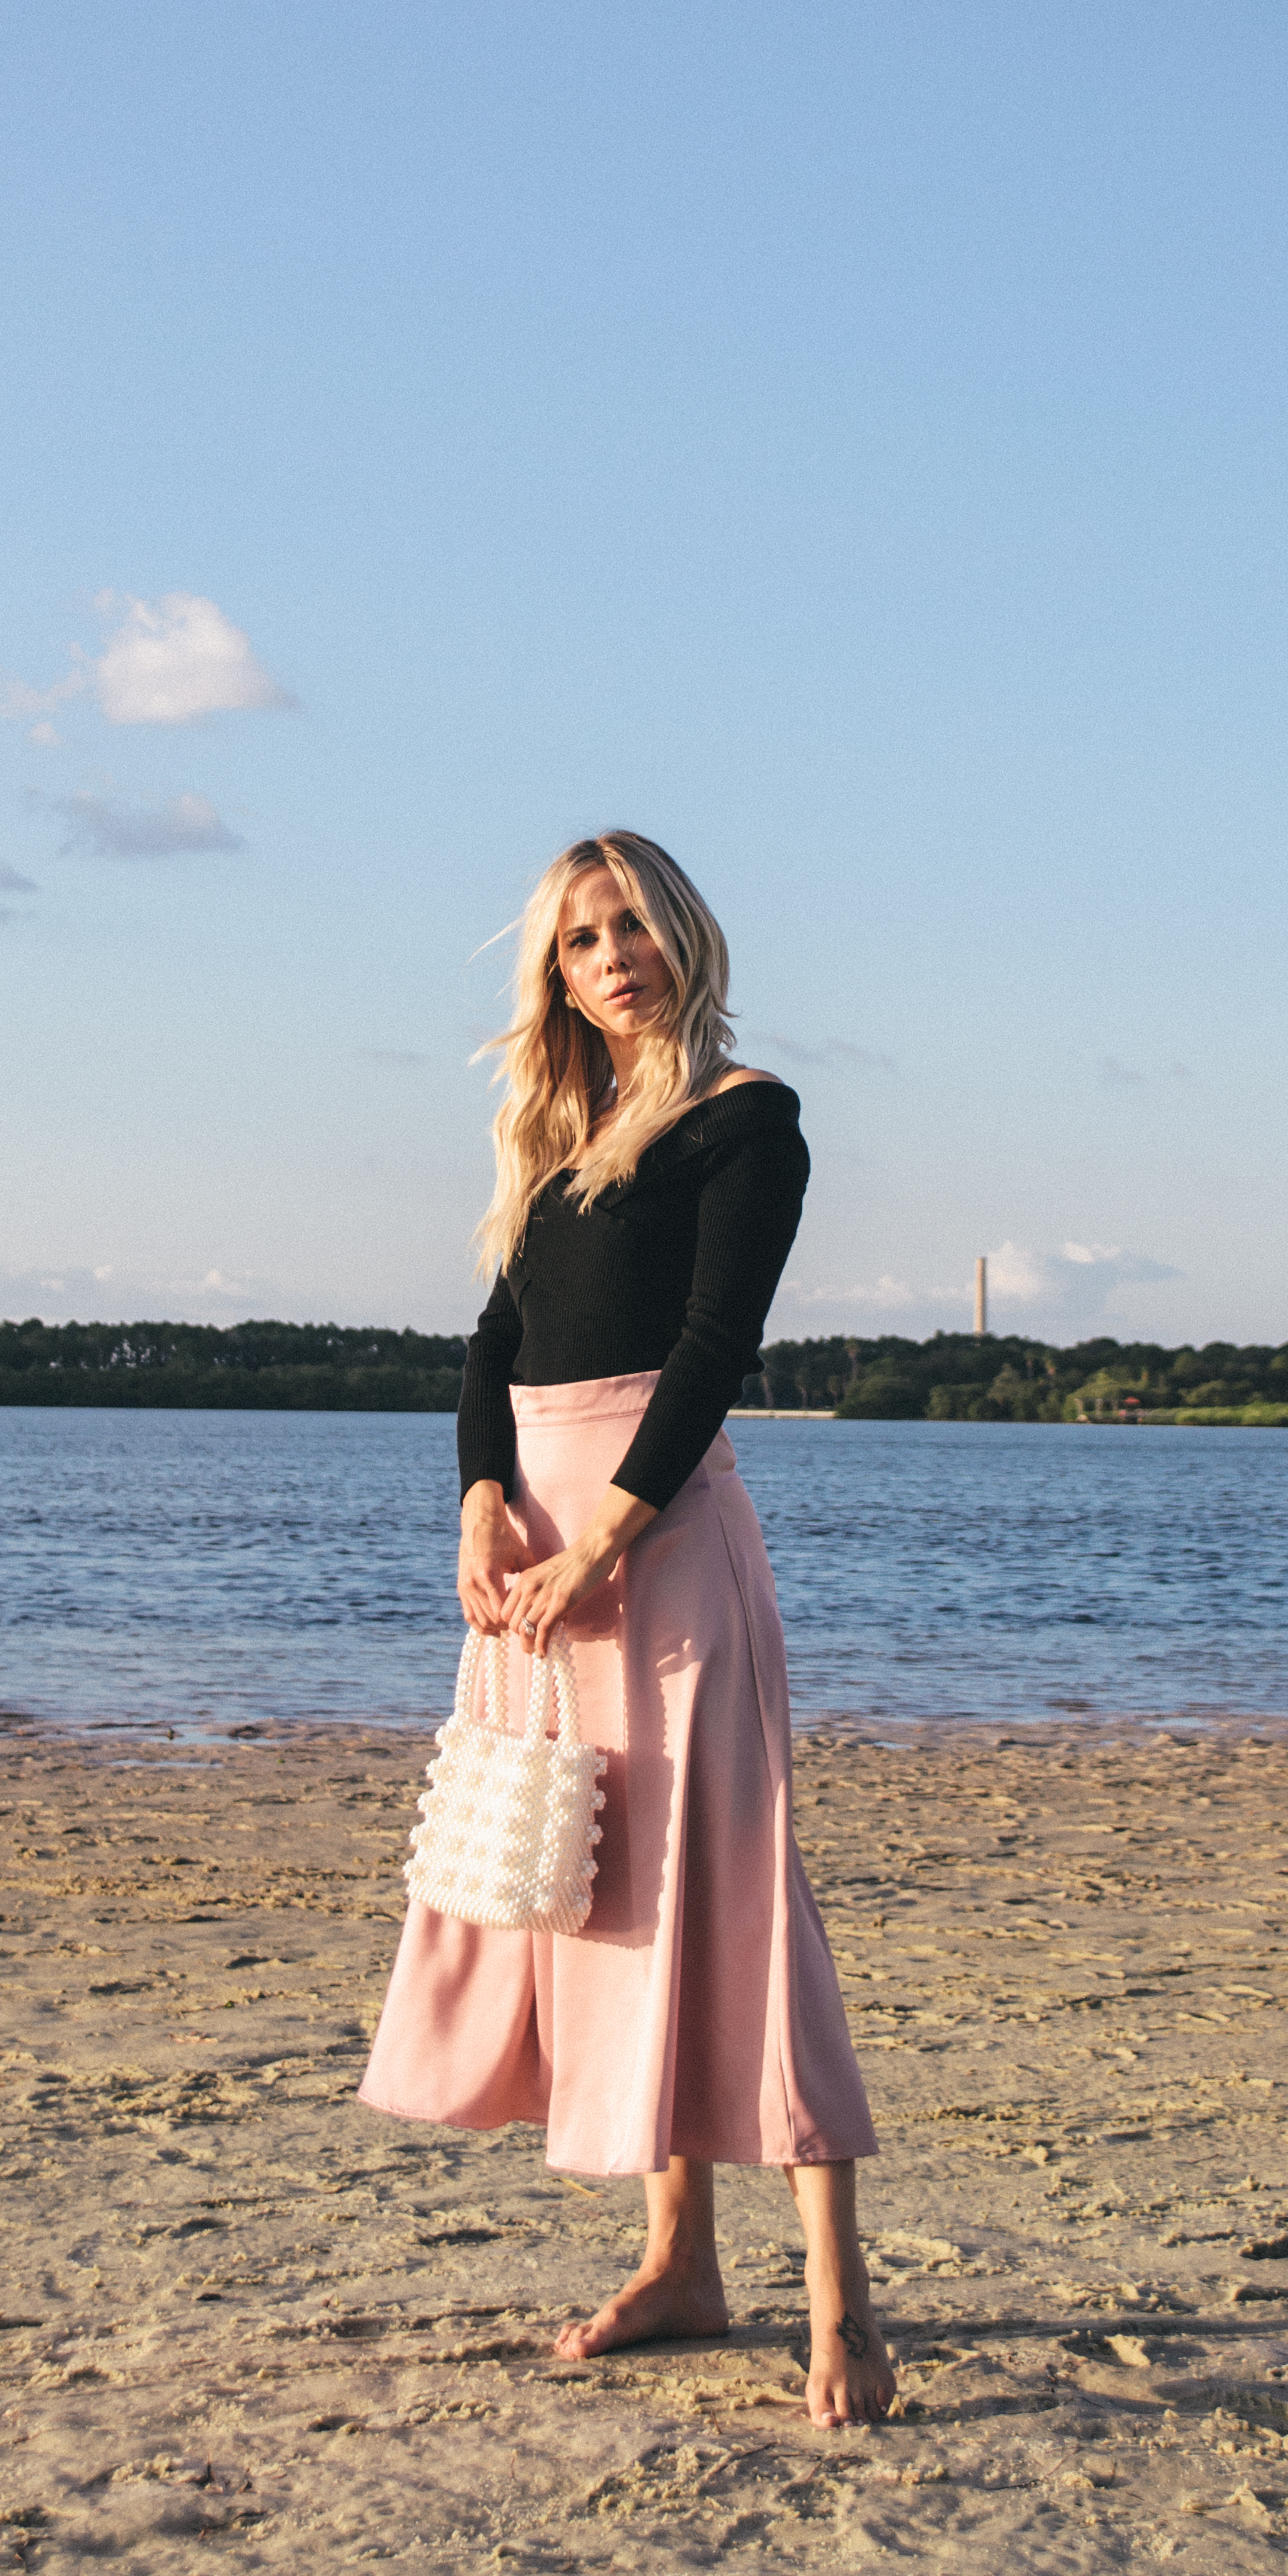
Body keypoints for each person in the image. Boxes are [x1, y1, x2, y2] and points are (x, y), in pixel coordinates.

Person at [360, 830, 896, 2427]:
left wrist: (607, 1539)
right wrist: (479, 1507)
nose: (616, 954)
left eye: (638, 924)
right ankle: (682, 2264)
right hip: (533, 1558)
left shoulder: (749, 1124)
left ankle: (845, 2313)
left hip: (652, 1557)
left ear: (686, 937)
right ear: (557, 975)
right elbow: (493, 1347)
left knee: (731, 1902)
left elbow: (715, 1349)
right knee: (601, 1899)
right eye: (583, 937)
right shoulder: (560, 1133)